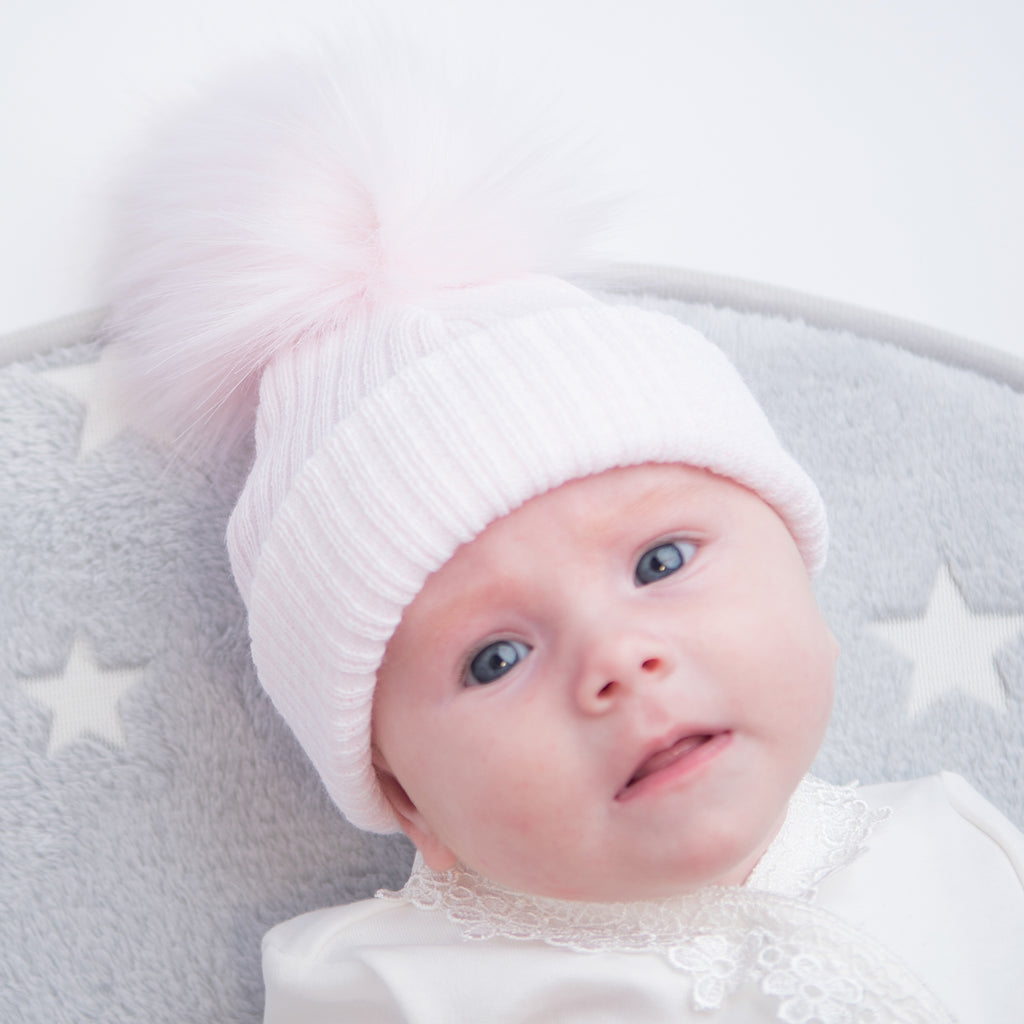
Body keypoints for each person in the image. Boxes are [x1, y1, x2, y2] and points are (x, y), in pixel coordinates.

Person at [103, 36, 1024, 1024]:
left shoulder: (956, 848)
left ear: (801, 577)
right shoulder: (393, 986)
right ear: (410, 804)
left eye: (660, 560)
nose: (616, 660)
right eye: (495, 657)